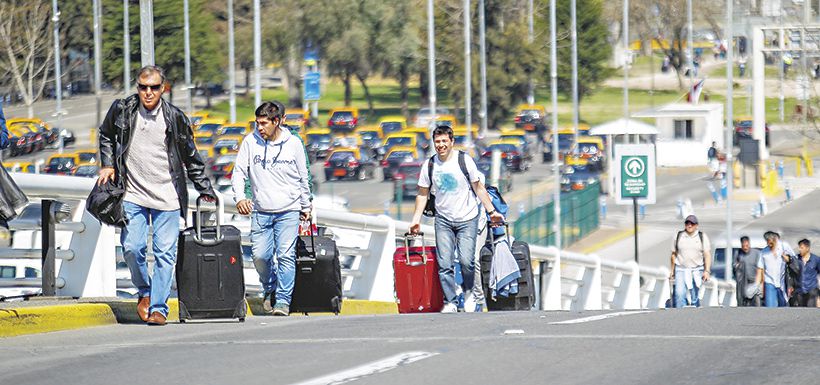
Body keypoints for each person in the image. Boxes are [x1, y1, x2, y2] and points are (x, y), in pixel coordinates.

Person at [98, 65, 216, 326]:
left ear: (164, 88)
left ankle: (159, 308)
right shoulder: (123, 109)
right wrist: (107, 164)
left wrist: (206, 189)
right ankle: (145, 292)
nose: (148, 92)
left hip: (168, 197)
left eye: (154, 87)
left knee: (165, 254)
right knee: (132, 247)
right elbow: (105, 133)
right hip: (133, 194)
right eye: (143, 87)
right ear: (137, 87)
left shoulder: (175, 117)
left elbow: (191, 158)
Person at [409, 125, 504, 313]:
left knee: (467, 261)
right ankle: (451, 301)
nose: (441, 145)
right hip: (443, 219)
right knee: (445, 263)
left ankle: (468, 292)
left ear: (452, 142)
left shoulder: (464, 161)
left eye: (444, 141)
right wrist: (415, 219)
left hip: (467, 218)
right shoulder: (430, 165)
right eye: (437, 142)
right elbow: (422, 194)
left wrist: (492, 211)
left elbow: (479, 188)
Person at [232, 101, 312, 316]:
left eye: (264, 123)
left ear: (277, 122)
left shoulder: (293, 143)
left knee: (285, 255)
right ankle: (270, 287)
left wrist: (306, 205)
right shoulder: (250, 142)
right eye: (257, 123)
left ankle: (283, 301)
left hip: (289, 210)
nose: (260, 128)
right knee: (260, 256)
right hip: (261, 210)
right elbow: (239, 172)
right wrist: (240, 197)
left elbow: (303, 176)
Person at [669, 215, 712, 308]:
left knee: (695, 297)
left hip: (697, 270)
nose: (689, 226)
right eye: (687, 223)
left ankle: (694, 315)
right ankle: (681, 316)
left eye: (692, 224)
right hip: (681, 268)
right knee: (679, 294)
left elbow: (707, 255)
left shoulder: (702, 236)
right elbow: (673, 254)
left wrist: (707, 271)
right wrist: (672, 271)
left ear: (696, 225)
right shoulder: (678, 236)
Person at [756, 231, 794, 308]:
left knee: (783, 305)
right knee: (770, 307)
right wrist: (757, 285)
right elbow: (760, 269)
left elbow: (794, 259)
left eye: (771, 243)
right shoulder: (764, 252)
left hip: (782, 282)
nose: (769, 245)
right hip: (769, 282)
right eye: (767, 242)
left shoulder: (784, 246)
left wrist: (788, 259)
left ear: (775, 239)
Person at [790, 239, 820, 307]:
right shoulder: (796, 259)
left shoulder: (816, 260)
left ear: (807, 248)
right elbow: (791, 274)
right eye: (799, 247)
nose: (799, 249)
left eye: (802, 248)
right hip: (799, 291)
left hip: (811, 291)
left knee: (810, 312)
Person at [733, 236, 762, 306]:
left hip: (755, 282)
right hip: (743, 283)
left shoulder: (757, 253)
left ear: (749, 244)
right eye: (743, 246)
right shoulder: (738, 253)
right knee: (743, 304)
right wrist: (738, 265)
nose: (745, 248)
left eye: (747, 245)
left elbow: (761, 268)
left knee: (756, 304)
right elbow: (734, 267)